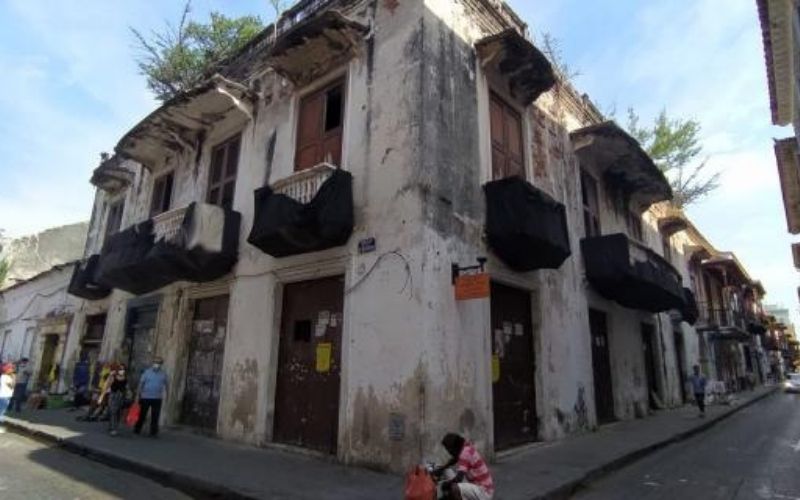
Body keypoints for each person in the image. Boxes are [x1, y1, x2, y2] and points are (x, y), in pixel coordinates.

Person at [437, 433, 494, 500]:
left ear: (453, 448)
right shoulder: (464, 446)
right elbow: (455, 459)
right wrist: (443, 468)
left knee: (455, 487)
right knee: (447, 471)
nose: (449, 453)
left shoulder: (464, 453)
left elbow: (459, 479)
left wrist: (446, 484)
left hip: (484, 491)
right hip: (475, 484)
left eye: (449, 450)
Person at [135, 357, 168, 437]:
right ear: (153, 363)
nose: (157, 364)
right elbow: (141, 384)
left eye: (159, 363)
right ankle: (137, 429)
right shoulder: (147, 372)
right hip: (145, 397)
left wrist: (167, 396)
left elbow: (167, 385)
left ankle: (153, 432)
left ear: (161, 364)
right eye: (156, 362)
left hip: (157, 398)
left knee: (155, 416)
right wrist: (137, 395)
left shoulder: (163, 374)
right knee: (142, 414)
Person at [105, 364, 128, 436]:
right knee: (112, 411)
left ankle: (114, 426)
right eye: (120, 369)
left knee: (118, 412)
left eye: (123, 369)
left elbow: (127, 388)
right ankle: (113, 428)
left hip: (120, 397)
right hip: (113, 395)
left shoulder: (125, 379)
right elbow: (107, 385)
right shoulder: (113, 376)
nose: (122, 370)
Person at [0, 363, 16, 429]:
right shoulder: (5, 377)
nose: (12, 370)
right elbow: (12, 386)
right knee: (1, 412)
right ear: (7, 369)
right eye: (11, 368)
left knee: (2, 411)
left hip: (4, 396)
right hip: (4, 396)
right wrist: (14, 378)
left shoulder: (4, 376)